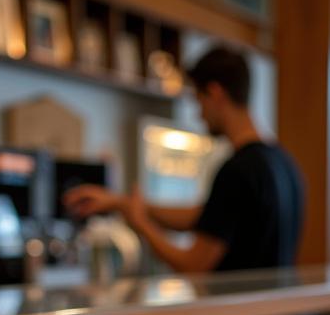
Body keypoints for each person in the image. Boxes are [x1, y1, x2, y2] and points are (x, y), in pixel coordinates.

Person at [63, 46, 304, 275]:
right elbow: (206, 218)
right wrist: (122, 203)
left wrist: (140, 223)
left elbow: (194, 266)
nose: (199, 115)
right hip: (275, 314)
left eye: (199, 101)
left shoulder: (239, 170)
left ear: (215, 93)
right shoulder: (284, 163)